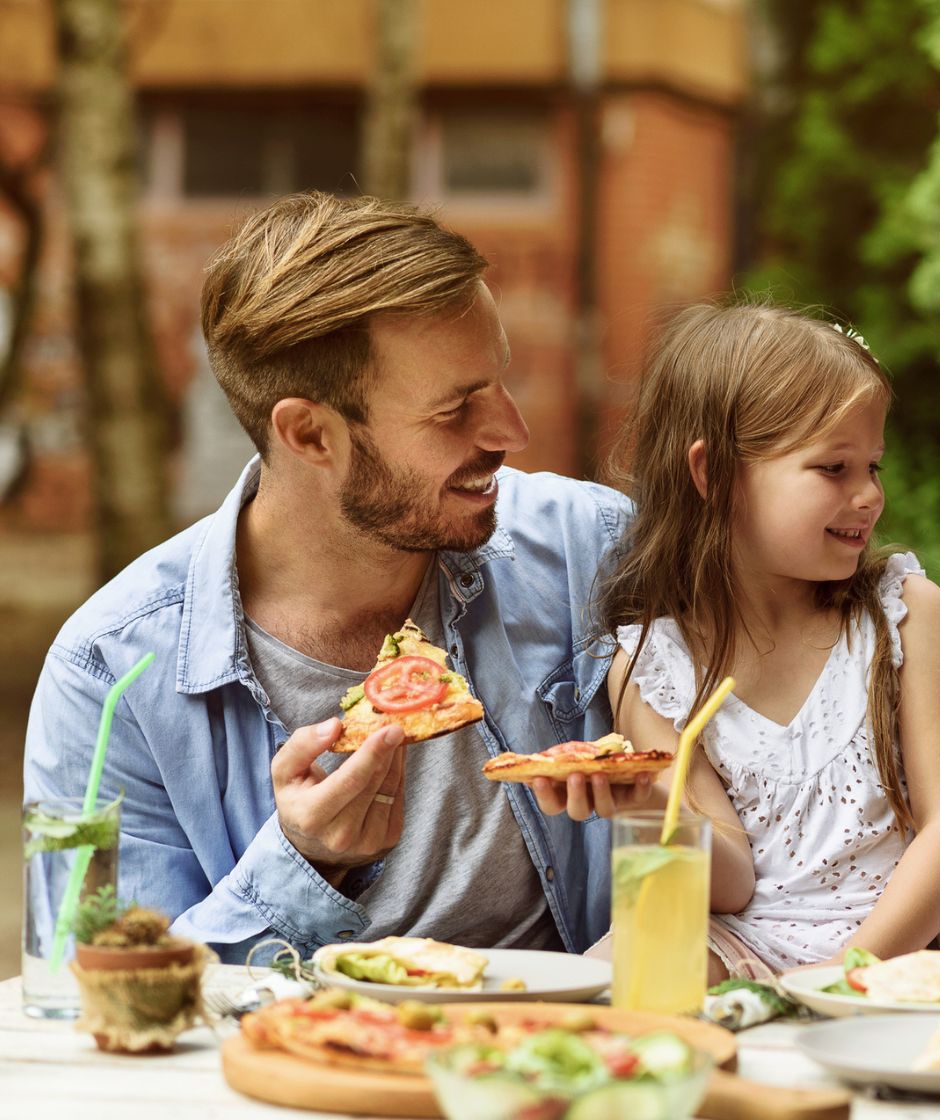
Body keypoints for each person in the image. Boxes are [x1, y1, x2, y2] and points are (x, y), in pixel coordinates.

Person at [23, 193, 628, 963]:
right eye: (455, 410)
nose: (512, 432)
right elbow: (103, 1002)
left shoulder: (593, 549)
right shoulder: (112, 672)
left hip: (568, 1063)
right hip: (289, 1075)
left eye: (499, 382)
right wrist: (305, 864)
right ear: (309, 433)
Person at [535, 303, 940, 980]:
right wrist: (654, 804)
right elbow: (732, 884)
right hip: (732, 944)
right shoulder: (653, 666)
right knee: (614, 988)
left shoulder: (904, 616)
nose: (868, 496)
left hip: (886, 953)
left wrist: (847, 970)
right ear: (713, 475)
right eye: (834, 468)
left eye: (874, 466)